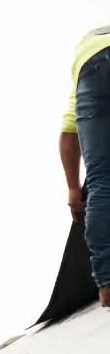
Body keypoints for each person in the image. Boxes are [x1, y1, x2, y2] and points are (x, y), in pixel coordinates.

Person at [59, 25, 110, 308]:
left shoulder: (87, 54)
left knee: (102, 180)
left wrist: (73, 187)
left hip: (88, 61)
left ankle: (107, 284)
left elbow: (69, 127)